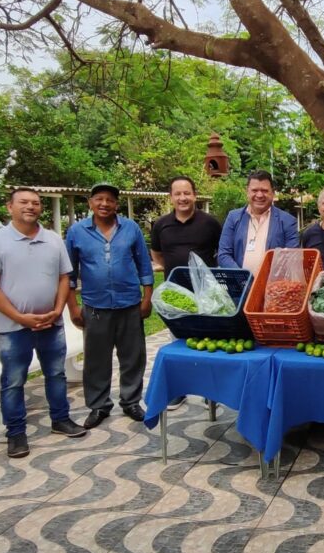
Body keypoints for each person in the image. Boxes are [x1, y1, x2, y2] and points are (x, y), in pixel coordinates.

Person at [0, 187, 87, 458]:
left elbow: (64, 278)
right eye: (23, 202)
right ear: (9, 207)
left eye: (36, 203)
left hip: (51, 322)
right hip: (13, 327)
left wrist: (58, 308)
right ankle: (16, 433)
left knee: (56, 373)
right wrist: (19, 317)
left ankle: (60, 419)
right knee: (13, 380)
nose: (31, 207)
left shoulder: (52, 239)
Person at [66, 183, 155, 428]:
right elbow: (69, 274)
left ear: (116, 204)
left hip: (129, 304)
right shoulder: (77, 232)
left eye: (110, 200)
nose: (104, 204)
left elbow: (144, 266)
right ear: (90, 203)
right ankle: (99, 405)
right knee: (96, 359)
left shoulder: (131, 228)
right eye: (99, 199)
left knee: (133, 356)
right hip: (95, 306)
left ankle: (131, 401)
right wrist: (73, 307)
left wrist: (147, 298)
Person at [150, 176, 221, 411]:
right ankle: (179, 391)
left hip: (206, 295)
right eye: (177, 194)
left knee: (209, 343)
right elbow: (157, 255)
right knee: (178, 343)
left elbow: (221, 251)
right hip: (176, 295)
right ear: (171, 197)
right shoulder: (161, 225)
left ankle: (211, 391)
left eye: (187, 193)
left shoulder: (210, 223)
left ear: (194, 195)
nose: (182, 198)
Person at [217, 170, 299, 272]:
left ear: (272, 193)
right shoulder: (233, 217)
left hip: (273, 286)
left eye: (264, 190)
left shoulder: (288, 221)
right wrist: (242, 277)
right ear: (247, 191)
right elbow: (223, 255)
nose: (259, 195)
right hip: (240, 285)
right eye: (255, 190)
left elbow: (291, 258)